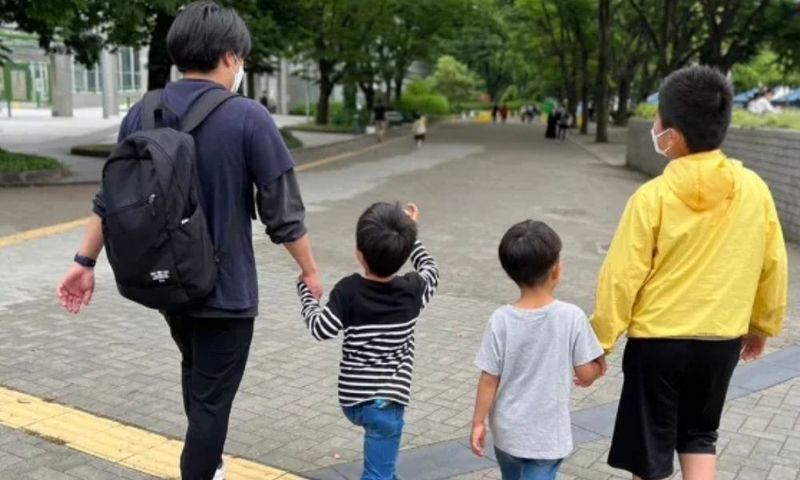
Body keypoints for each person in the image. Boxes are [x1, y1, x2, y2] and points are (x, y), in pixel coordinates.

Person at [56, 3, 323, 480]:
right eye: (242, 58)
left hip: (168, 282)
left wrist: (84, 260)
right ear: (230, 57)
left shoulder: (143, 112)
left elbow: (110, 199)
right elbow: (284, 214)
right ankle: (202, 468)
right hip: (226, 290)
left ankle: (210, 463)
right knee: (212, 404)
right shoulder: (248, 117)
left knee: (197, 374)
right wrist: (309, 270)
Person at [592, 65, 788, 480]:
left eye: (657, 120)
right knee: (700, 437)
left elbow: (622, 277)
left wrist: (600, 342)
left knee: (650, 451)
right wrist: (761, 325)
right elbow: (772, 264)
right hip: (721, 340)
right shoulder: (754, 189)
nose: (654, 127)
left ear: (674, 135)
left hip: (658, 343)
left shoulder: (652, 197)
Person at [296, 202, 439, 480]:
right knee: (378, 474)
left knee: (384, 471)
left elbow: (320, 328)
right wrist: (411, 234)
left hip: (353, 401)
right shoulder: (414, 290)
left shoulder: (348, 291)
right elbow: (430, 267)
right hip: (386, 405)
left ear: (359, 254)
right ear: (404, 252)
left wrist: (306, 293)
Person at [471, 220, 604, 480]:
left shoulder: (501, 319)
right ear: (556, 270)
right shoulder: (571, 316)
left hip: (507, 434)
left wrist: (478, 422)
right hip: (547, 438)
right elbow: (585, 374)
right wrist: (597, 368)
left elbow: (489, 378)